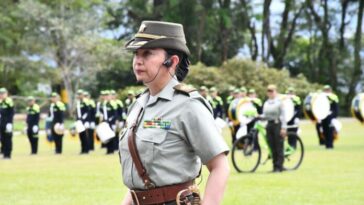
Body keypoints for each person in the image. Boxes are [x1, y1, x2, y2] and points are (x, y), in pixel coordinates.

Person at [120, 20, 230, 205]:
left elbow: (220, 167)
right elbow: (142, 178)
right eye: (136, 54)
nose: (138, 60)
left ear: (172, 61)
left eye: (147, 53)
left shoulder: (188, 105)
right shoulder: (138, 105)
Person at [262, 85, 287, 172]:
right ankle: (274, 166)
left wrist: (284, 128)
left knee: (278, 146)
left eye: (272, 91)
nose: (270, 93)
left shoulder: (279, 102)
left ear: (275, 92)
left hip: (277, 124)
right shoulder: (266, 103)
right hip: (269, 125)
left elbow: (283, 115)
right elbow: (265, 115)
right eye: (269, 91)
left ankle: (279, 166)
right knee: (272, 146)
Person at [0, 88, 14, 159]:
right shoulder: (1, 102)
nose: (1, 95)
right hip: (2, 123)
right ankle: (4, 153)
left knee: (8, 138)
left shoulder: (9, 101)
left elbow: (11, 113)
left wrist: (10, 123)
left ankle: (8, 154)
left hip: (8, 123)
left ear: (6, 94)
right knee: (2, 139)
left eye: (3, 93)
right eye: (0, 94)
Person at [75, 89, 89, 154]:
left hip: (84, 121)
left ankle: (86, 149)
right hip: (78, 121)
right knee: (81, 135)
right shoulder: (77, 102)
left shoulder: (85, 102)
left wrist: (83, 119)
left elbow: (87, 112)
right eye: (78, 94)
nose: (79, 96)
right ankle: (82, 149)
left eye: (80, 94)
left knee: (84, 135)